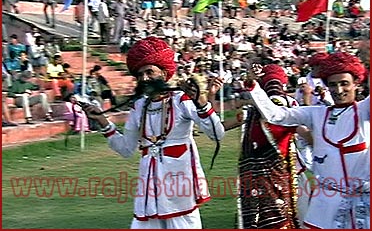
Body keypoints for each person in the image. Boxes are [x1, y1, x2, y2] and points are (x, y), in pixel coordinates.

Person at [81, 36, 225, 229]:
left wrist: (201, 103)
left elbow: (217, 134)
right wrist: (103, 122)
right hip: (149, 187)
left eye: (150, 72)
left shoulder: (180, 100)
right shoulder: (139, 107)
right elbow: (126, 149)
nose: (145, 78)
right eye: (140, 74)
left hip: (179, 185)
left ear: (164, 73)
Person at [245, 52, 369, 229]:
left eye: (344, 84)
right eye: (333, 85)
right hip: (325, 205)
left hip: (361, 205)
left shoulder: (365, 111)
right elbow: (276, 115)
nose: (339, 90)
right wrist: (253, 86)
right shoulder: (316, 114)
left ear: (356, 83)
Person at [235, 64, 301, 229]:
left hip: (273, 173)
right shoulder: (252, 112)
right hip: (273, 174)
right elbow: (220, 128)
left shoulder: (284, 109)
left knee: (275, 216)